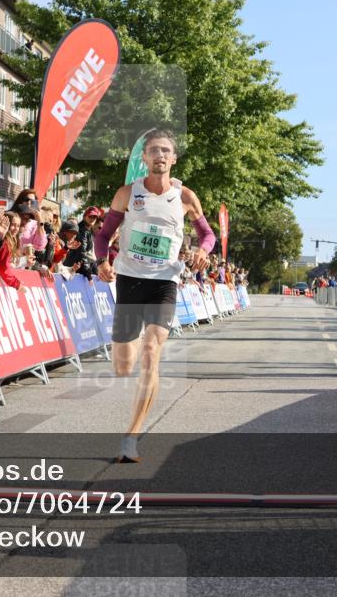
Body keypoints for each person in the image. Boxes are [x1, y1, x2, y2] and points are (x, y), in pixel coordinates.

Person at [93, 129, 215, 463]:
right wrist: (102, 262)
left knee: (151, 351)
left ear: (174, 159)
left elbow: (208, 234)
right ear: (144, 158)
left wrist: (203, 250)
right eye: (153, 150)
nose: (160, 155)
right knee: (123, 365)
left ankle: (131, 438)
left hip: (165, 281)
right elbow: (103, 235)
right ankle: (127, 369)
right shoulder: (127, 194)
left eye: (166, 151)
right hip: (130, 279)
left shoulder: (186, 197)